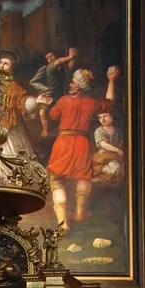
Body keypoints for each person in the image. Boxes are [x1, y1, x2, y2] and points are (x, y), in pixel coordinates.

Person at [47, 65, 120, 232]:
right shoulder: (91, 102)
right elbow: (109, 102)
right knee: (83, 177)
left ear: (79, 85)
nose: (70, 85)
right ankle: (80, 213)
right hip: (82, 143)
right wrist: (111, 81)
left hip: (63, 142)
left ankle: (63, 222)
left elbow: (53, 115)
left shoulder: (64, 100)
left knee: (56, 179)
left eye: (73, 83)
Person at [30, 47, 77, 135]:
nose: (50, 59)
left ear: (55, 55)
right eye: (47, 58)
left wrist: (73, 56)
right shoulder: (49, 68)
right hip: (49, 93)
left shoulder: (63, 68)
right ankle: (45, 129)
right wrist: (70, 56)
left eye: (51, 56)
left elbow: (70, 66)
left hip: (61, 93)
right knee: (42, 113)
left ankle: (66, 127)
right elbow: (58, 61)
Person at [92, 111, 125, 183]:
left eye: (105, 116)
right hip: (103, 155)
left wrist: (118, 151)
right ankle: (102, 178)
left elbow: (121, 143)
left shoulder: (117, 130)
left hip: (115, 156)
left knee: (117, 168)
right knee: (102, 169)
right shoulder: (99, 130)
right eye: (100, 117)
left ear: (112, 117)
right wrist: (117, 150)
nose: (102, 119)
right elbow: (103, 144)